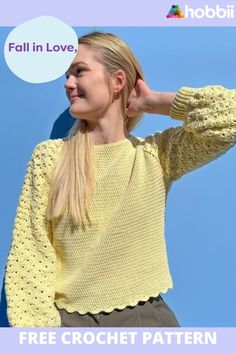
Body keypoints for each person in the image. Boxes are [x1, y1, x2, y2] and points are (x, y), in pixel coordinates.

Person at [4, 31, 236, 328]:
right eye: (67, 75)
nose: (68, 83)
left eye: (79, 71)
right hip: (67, 322)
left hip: (145, 318)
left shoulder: (156, 155)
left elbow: (229, 117)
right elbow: (31, 254)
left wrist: (153, 102)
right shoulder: (50, 157)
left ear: (117, 81)